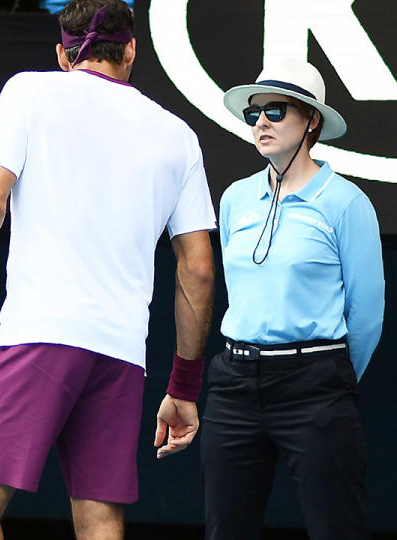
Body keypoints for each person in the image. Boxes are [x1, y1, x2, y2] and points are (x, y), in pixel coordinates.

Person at [0, 1, 217, 537]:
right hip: (121, 353)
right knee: (99, 518)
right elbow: (197, 270)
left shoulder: (29, 90)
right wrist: (185, 386)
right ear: (131, 51)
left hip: (38, 336)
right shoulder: (178, 135)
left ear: (63, 54)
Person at [204, 59, 385, 540]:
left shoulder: (346, 203)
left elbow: (367, 313)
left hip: (315, 383)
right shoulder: (235, 198)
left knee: (336, 528)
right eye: (254, 113)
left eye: (275, 111)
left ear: (312, 120)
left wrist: (331, 379)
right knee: (225, 529)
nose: (260, 122)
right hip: (234, 383)